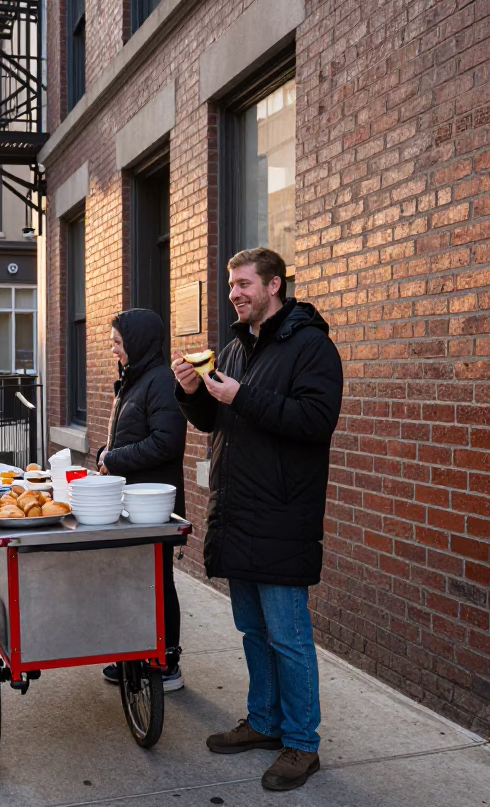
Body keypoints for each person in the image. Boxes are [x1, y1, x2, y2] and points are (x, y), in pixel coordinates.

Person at [172, 247, 343, 792]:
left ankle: (301, 744)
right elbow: (217, 420)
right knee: (252, 630)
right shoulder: (234, 347)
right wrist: (193, 393)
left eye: (244, 284)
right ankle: (264, 722)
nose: (235, 294)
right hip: (238, 508)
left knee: (288, 636)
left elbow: (315, 421)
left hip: (282, 514)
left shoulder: (311, 346)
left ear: (274, 285)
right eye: (230, 287)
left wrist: (242, 396)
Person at [95, 308, 187, 692]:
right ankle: (134, 657)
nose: (113, 349)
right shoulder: (133, 380)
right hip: (130, 503)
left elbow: (166, 443)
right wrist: (105, 452)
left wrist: (113, 458)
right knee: (134, 580)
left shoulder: (161, 381)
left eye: (118, 342)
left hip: (152, 505)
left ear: (137, 342)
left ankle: (166, 665)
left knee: (157, 580)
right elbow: (129, 436)